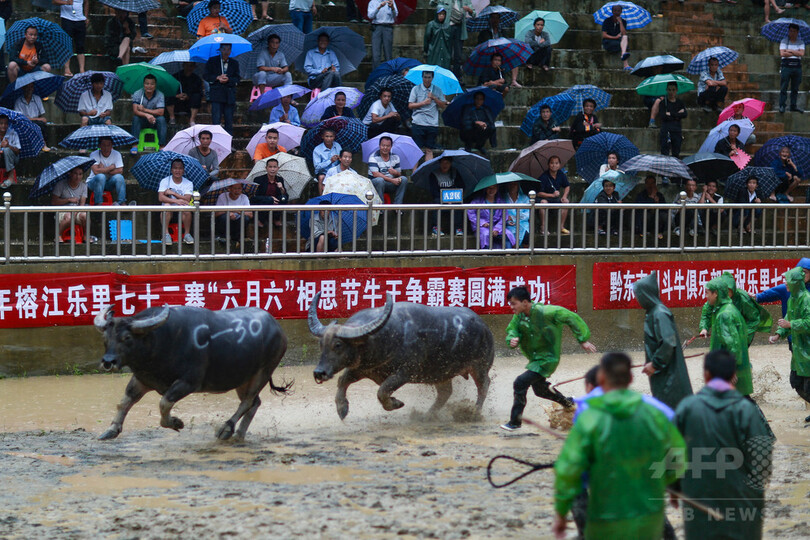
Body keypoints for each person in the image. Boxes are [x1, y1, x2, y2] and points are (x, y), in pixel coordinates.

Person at [553, 351, 684, 539]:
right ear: (631, 377)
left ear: (601, 377)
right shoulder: (658, 410)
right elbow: (677, 452)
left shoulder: (588, 414)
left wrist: (561, 513)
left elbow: (570, 469)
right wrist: (674, 486)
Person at [675, 350, 775, 539]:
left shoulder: (687, 408)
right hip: (742, 503)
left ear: (706, 374)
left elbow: (671, 456)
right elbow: (763, 462)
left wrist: (675, 487)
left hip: (699, 502)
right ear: (734, 376)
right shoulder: (748, 410)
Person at [500, 286, 597, 431]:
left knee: (520, 383)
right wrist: (512, 339)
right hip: (535, 360)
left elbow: (570, 317)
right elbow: (512, 329)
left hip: (547, 359)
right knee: (540, 390)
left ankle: (515, 422)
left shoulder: (547, 312)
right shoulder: (519, 316)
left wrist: (583, 339)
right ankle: (569, 403)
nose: (511, 307)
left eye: (514, 303)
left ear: (525, 302)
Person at [633, 272, 693, 409]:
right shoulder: (654, 312)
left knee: (672, 410)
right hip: (664, 373)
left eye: (638, 294)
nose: (637, 298)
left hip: (670, 375)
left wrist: (655, 364)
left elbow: (668, 342)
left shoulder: (660, 314)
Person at [770, 267, 810, 422]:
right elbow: (787, 319)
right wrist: (779, 334)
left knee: (808, 387)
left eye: (787, 281)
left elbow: (808, 322)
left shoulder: (807, 299)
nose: (785, 284)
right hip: (799, 350)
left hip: (807, 349)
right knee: (796, 382)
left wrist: (791, 324)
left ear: (796, 283)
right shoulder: (792, 299)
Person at [704, 276, 753, 396]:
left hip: (731, 371)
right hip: (732, 369)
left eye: (707, 293)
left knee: (741, 402)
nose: (706, 296)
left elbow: (733, 345)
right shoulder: (728, 309)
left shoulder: (724, 314)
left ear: (715, 294)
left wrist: (731, 371)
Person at [757, 258, 810, 332]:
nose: (802, 275)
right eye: (800, 271)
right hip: (793, 337)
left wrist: (790, 324)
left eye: (805, 272)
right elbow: (761, 297)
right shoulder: (786, 288)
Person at [408, 70, 447, 162]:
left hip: (432, 123)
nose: (427, 79)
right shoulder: (416, 89)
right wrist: (423, 103)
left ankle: (427, 170)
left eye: (429, 77)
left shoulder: (437, 90)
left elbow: (443, 105)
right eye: (425, 77)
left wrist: (434, 98)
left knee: (429, 150)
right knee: (416, 149)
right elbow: (410, 105)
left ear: (432, 78)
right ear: (422, 77)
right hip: (418, 122)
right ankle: (414, 172)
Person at [205, 43, 240, 135]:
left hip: (229, 95)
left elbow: (237, 78)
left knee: (229, 121)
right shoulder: (212, 61)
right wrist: (217, 77)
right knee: (216, 121)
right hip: (217, 95)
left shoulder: (234, 63)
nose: (226, 51)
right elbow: (206, 75)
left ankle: (228, 143)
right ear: (220, 49)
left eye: (228, 49)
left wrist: (229, 79)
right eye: (224, 49)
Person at [158, 158, 195, 245]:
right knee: (166, 206)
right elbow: (161, 197)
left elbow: (187, 199)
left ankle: (187, 234)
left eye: (180, 168)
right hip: (169, 207)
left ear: (183, 170)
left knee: (187, 209)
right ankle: (166, 234)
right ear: (171, 170)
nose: (177, 171)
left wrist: (174, 193)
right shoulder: (165, 181)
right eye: (175, 168)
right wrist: (175, 201)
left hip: (182, 208)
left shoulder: (188, 183)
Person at [428, 155, 465, 237]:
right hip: (439, 198)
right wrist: (444, 199)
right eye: (443, 163)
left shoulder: (455, 172)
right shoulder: (434, 174)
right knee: (436, 203)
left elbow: (461, 186)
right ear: (439, 163)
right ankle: (436, 228)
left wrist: (453, 198)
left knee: (458, 204)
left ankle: (458, 228)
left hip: (453, 197)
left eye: (447, 163)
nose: (445, 165)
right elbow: (433, 191)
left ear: (450, 163)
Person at [130, 74, 167, 154]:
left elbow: (161, 112)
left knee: (162, 119)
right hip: (142, 119)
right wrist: (147, 115)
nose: (149, 86)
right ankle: (135, 144)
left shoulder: (160, 95)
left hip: (155, 120)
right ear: (144, 84)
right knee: (135, 118)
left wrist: (145, 110)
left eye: (152, 84)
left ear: (155, 85)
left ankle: (162, 146)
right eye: (147, 84)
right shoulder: (138, 93)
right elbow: (135, 111)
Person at [467, 185, 512, 249]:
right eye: (489, 188)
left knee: (508, 234)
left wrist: (497, 228)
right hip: (482, 227)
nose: (491, 190)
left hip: (496, 226)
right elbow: (470, 212)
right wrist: (482, 222)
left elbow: (504, 215)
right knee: (485, 234)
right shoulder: (478, 200)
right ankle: (486, 253)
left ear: (497, 188)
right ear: (485, 189)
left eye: (494, 188)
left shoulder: (500, 200)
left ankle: (508, 254)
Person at [51, 167, 90, 240]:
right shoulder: (61, 185)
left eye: (80, 174)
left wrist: (75, 212)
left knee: (85, 216)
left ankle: (85, 236)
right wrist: (68, 200)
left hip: (77, 210)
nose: (78, 177)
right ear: (70, 174)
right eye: (75, 174)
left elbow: (82, 204)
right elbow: (54, 201)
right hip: (63, 211)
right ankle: (58, 236)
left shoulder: (84, 186)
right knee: (69, 217)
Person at [651, 81, 687, 158]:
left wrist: (671, 114)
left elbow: (684, 114)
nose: (671, 92)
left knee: (676, 152)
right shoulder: (663, 103)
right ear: (667, 90)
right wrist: (677, 114)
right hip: (666, 130)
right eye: (669, 90)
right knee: (664, 153)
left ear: (676, 90)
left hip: (677, 130)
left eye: (673, 90)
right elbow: (663, 116)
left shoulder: (680, 103)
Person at [368, 135, 407, 205]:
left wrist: (395, 172)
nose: (385, 148)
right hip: (376, 184)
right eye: (383, 145)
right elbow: (375, 174)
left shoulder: (395, 157)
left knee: (403, 179)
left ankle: (397, 206)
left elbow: (399, 173)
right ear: (379, 145)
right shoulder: (373, 157)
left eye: (388, 146)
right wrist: (392, 180)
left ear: (391, 146)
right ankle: (380, 207)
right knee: (380, 180)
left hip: (390, 184)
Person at [439, 0, 475, 77]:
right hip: (447, 28)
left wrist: (469, 9)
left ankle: (457, 76)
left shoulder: (465, 1)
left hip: (459, 28)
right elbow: (433, 3)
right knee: (446, 54)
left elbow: (474, 14)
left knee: (458, 55)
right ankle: (446, 75)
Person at [87, 136, 126, 206]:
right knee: (101, 177)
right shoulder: (94, 154)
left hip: (108, 182)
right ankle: (98, 203)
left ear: (112, 146)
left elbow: (120, 170)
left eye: (108, 145)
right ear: (99, 146)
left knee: (119, 177)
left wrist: (103, 169)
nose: (106, 148)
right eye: (103, 145)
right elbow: (96, 171)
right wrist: (110, 167)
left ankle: (121, 202)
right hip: (94, 182)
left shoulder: (117, 154)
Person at [53, 0, 88, 77]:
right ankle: (67, 68)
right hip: (67, 18)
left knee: (80, 45)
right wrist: (66, 3)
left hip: (80, 19)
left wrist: (86, 16)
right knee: (67, 43)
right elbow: (54, 1)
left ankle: (82, 69)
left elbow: (86, 2)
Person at [537, 155, 570, 235]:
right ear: (548, 164)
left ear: (559, 165)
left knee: (566, 202)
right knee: (543, 203)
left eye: (556, 163)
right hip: (545, 198)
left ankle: (561, 227)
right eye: (552, 163)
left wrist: (564, 196)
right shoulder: (543, 176)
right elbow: (539, 193)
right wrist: (552, 195)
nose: (554, 165)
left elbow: (567, 186)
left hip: (555, 199)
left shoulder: (561, 174)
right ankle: (543, 227)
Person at [251, 157, 287, 227]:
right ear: (266, 168)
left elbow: (285, 196)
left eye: (274, 167)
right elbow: (254, 197)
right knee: (269, 200)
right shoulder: (258, 179)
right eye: (270, 167)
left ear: (278, 168)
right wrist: (269, 198)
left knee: (283, 198)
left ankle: (276, 219)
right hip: (263, 204)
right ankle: (260, 220)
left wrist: (282, 188)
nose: (272, 169)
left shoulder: (280, 179)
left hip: (275, 206)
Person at [13, 83, 49, 152]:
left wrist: (41, 119)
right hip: (24, 122)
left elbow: (41, 114)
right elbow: (19, 118)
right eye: (27, 87)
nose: (29, 89)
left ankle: (44, 144)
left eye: (31, 87)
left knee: (41, 124)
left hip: (36, 122)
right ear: (23, 88)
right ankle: (43, 143)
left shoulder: (37, 99)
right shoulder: (18, 101)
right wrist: (37, 119)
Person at [166, 62, 203, 126]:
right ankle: (172, 117)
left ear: (194, 67)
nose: (189, 68)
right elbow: (169, 90)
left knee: (197, 96)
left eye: (191, 66)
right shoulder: (175, 76)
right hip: (176, 102)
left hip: (190, 103)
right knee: (168, 96)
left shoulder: (197, 79)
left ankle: (192, 120)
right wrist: (177, 95)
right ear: (183, 66)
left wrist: (188, 96)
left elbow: (199, 92)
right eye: (187, 66)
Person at [460, 90, 496, 156]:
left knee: (491, 128)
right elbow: (464, 121)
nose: (479, 101)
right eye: (477, 99)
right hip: (470, 130)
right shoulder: (467, 108)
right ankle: (468, 145)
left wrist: (484, 124)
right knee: (468, 127)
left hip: (481, 131)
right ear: (474, 99)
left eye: (481, 99)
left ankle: (480, 145)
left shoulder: (486, 109)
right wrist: (475, 122)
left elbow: (491, 122)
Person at [779, 23, 804, 114]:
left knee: (795, 88)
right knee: (784, 87)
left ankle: (793, 106)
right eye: (790, 31)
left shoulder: (800, 42)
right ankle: (782, 105)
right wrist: (795, 52)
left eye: (794, 31)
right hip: (786, 67)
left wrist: (789, 51)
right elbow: (782, 54)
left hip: (797, 67)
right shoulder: (784, 41)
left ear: (797, 32)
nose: (792, 33)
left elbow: (801, 54)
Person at [368, 0, 398, 69]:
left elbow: (395, 15)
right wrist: (378, 7)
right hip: (376, 26)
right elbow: (370, 16)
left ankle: (389, 73)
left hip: (387, 26)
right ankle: (376, 74)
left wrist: (392, 8)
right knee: (376, 53)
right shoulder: (373, 2)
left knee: (388, 52)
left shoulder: (391, 1)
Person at [601, 4, 630, 70]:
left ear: (621, 11)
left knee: (625, 37)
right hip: (609, 41)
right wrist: (615, 37)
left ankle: (624, 57)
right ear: (612, 11)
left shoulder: (623, 21)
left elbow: (624, 33)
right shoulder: (607, 21)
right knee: (624, 46)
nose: (617, 12)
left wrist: (620, 23)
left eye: (618, 11)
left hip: (619, 41)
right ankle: (625, 63)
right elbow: (604, 35)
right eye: (615, 11)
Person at [312, 128, 341, 193]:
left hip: (336, 170)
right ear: (323, 137)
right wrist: (330, 161)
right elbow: (317, 166)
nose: (329, 139)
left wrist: (340, 158)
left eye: (331, 136)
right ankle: (321, 198)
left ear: (334, 137)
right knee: (321, 177)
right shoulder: (317, 149)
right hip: (324, 172)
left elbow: (341, 158)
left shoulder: (337, 146)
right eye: (327, 136)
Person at [504, 181, 530, 248]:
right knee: (508, 235)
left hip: (522, 224)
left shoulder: (525, 198)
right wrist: (507, 219)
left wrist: (513, 218)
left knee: (527, 235)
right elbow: (500, 213)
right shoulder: (503, 198)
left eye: (515, 184)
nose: (512, 186)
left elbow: (527, 214)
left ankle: (524, 255)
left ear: (518, 186)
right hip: (508, 224)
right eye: (510, 184)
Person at [0, 114, 21, 187]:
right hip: (1, 158)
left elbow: (18, 151)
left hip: (13, 158)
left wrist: (8, 145)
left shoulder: (13, 133)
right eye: (1, 123)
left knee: (7, 150)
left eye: (5, 124)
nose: (3, 126)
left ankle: (11, 177)